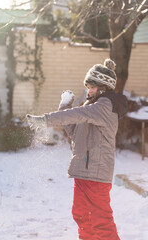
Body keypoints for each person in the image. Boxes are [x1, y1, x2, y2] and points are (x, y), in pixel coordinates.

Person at [26, 58, 128, 240]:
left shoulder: (105, 106)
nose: (88, 90)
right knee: (81, 217)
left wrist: (45, 120)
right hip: (83, 172)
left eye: (92, 87)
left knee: (101, 223)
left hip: (96, 174)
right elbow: (73, 132)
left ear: (103, 87)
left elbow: (77, 115)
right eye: (88, 86)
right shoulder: (91, 106)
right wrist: (65, 104)